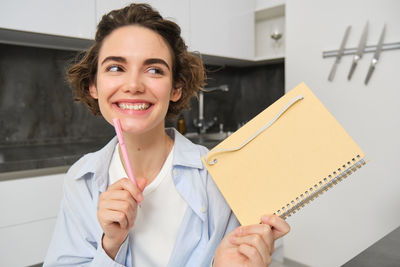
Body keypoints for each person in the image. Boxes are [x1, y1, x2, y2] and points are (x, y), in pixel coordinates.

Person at [44, 3, 290, 267]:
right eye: (116, 68)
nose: (133, 85)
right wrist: (110, 245)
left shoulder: (220, 178)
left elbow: (266, 257)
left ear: (176, 88)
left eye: (154, 70)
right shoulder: (82, 179)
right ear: (94, 85)